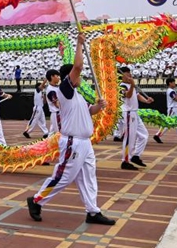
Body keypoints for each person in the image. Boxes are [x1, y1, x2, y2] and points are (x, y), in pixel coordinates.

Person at [26, 33, 115, 225]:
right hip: (73, 142)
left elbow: (88, 112)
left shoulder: (78, 95)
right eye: (78, 75)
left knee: (89, 177)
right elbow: (78, 66)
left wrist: (99, 107)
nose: (81, 77)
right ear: (70, 77)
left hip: (85, 142)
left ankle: (92, 211)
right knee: (64, 177)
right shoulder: (64, 90)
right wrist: (79, 44)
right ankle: (36, 200)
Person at [119, 67, 153, 170]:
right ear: (122, 75)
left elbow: (137, 96)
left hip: (135, 113)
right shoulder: (121, 86)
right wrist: (133, 86)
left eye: (130, 72)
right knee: (130, 138)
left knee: (144, 135)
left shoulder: (130, 85)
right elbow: (128, 96)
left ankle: (136, 156)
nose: (129, 74)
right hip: (128, 113)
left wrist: (146, 100)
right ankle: (125, 161)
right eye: (127, 73)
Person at [153, 77, 177, 145]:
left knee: (174, 123)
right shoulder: (171, 91)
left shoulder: (171, 90)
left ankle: (157, 135)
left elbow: (175, 101)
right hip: (173, 110)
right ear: (170, 83)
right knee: (176, 123)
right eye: (173, 82)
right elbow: (176, 99)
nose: (175, 83)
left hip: (174, 108)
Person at [45, 70, 62, 136]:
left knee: (51, 134)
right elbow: (57, 105)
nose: (59, 77)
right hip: (57, 113)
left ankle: (45, 145)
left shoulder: (56, 87)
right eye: (57, 76)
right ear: (52, 77)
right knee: (60, 133)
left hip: (56, 114)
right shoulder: (51, 90)